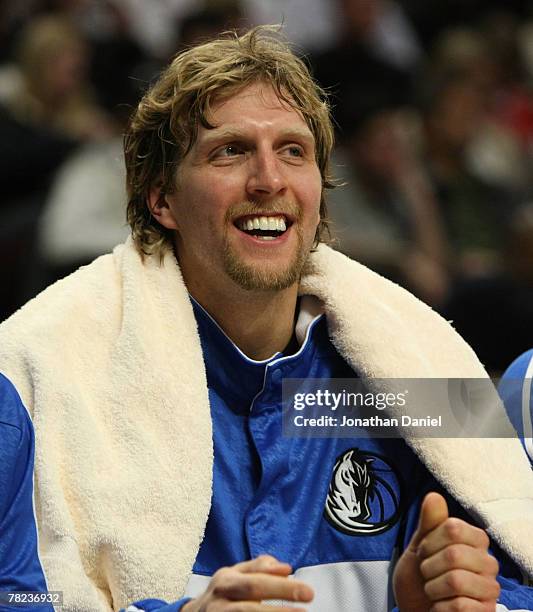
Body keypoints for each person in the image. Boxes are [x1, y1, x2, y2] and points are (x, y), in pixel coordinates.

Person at [0, 26, 532, 612]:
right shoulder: (35, 375)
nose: (269, 181)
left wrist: (459, 600)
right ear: (161, 200)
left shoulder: (421, 361)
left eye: (293, 151)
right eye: (230, 151)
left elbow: (517, 558)